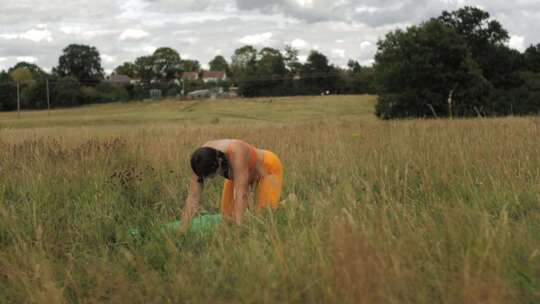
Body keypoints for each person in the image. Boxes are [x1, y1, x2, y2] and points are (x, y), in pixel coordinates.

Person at [181, 139, 283, 227]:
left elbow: (241, 195)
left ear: (220, 161)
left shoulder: (237, 152)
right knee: (227, 219)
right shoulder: (199, 160)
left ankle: (287, 204)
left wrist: (239, 229)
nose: (211, 179)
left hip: (268, 169)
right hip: (239, 175)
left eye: (213, 175)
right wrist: (183, 229)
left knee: (263, 217)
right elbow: (193, 198)